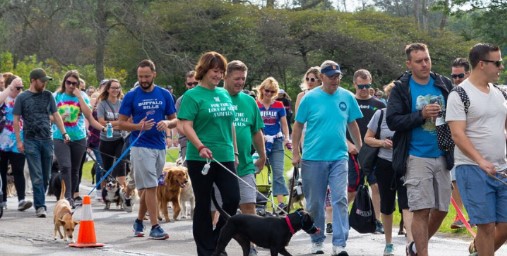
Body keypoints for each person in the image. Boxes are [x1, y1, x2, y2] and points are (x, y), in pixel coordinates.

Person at [386, 43, 453, 256]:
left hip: (442, 153)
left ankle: (415, 247)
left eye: (427, 59)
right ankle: (422, 253)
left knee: (442, 209)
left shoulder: (443, 83)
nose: (424, 64)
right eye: (419, 61)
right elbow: (393, 121)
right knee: (421, 210)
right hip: (415, 156)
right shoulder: (401, 88)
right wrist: (421, 115)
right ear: (409, 63)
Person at [292, 60, 362, 256]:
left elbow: (352, 123)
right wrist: (296, 152)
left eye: (338, 76)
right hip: (313, 158)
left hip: (339, 157)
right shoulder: (309, 98)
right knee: (315, 203)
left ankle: (340, 243)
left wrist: (361, 146)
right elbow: (297, 126)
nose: (335, 80)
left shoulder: (347, 97)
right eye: (331, 76)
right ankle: (317, 240)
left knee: (340, 198)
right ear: (322, 77)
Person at [447, 43, 507, 256]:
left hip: (502, 170)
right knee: (487, 226)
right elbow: (457, 134)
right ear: (482, 64)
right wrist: (481, 160)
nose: (501, 67)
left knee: (505, 227)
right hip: (472, 169)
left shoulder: (500, 92)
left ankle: (476, 250)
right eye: (497, 62)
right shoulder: (460, 94)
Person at [178, 51, 239, 256]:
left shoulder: (223, 94)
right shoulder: (192, 95)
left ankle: (215, 242)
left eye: (221, 72)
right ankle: (206, 250)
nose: (218, 75)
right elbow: (185, 124)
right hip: (200, 158)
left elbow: (231, 125)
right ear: (204, 71)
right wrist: (200, 146)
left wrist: (235, 152)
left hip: (225, 155)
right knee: (203, 204)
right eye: (215, 71)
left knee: (232, 198)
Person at [118, 59, 177, 240]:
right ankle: (154, 226)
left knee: (149, 187)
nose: (143, 80)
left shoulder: (164, 94)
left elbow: (175, 120)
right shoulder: (131, 95)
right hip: (140, 145)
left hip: (159, 146)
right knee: (151, 185)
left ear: (154, 75)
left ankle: (138, 221)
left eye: (146, 76)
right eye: (140, 77)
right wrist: (137, 126)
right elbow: (121, 122)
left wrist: (166, 123)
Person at [217, 60, 266, 256]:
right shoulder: (216, 97)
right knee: (219, 210)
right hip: (221, 165)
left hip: (245, 164)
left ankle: (251, 247)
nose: (240, 83)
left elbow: (256, 132)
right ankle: (217, 247)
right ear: (225, 77)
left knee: (249, 207)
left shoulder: (248, 101)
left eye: (243, 79)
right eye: (236, 78)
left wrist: (262, 155)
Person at [364, 81, 413, 256]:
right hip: (384, 164)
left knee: (407, 204)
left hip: (406, 164)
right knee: (387, 204)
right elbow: (367, 138)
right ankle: (389, 243)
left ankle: (410, 243)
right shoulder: (380, 114)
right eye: (392, 96)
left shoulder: (409, 115)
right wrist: (382, 143)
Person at [13, 68, 69, 218]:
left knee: (46, 176)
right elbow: (16, 120)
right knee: (36, 175)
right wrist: (19, 141)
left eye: (45, 81)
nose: (44, 83)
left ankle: (40, 199)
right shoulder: (22, 97)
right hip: (30, 140)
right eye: (42, 80)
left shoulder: (48, 95)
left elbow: (56, 115)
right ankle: (40, 206)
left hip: (47, 139)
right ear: (33, 80)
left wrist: (64, 132)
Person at [52, 71, 105, 207]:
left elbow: (89, 117)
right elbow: (49, 117)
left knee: (75, 169)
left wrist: (80, 97)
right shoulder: (57, 96)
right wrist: (60, 119)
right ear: (64, 83)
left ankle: (70, 194)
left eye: (74, 83)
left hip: (79, 137)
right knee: (65, 166)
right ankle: (67, 197)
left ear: (78, 85)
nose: (71, 85)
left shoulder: (83, 97)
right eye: (68, 82)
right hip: (60, 136)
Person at [346, 69, 386, 234]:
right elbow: (338, 126)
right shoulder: (348, 102)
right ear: (354, 84)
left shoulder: (379, 104)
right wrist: (348, 144)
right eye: (361, 86)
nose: (364, 89)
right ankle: (338, 217)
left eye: (367, 86)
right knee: (352, 189)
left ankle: (377, 221)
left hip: (373, 152)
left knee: (376, 186)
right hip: (352, 152)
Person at [255, 77, 290, 212]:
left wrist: (287, 138)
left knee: (278, 172)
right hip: (259, 141)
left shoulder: (279, 106)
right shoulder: (256, 105)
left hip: (276, 141)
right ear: (262, 90)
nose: (269, 94)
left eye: (272, 91)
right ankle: (257, 201)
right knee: (256, 171)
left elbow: (284, 124)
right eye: (267, 91)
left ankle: (281, 203)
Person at [0, 75, 33, 212]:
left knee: (18, 170)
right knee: (1, 171)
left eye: (21, 87)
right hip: (2, 141)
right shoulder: (4, 96)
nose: (20, 90)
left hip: (18, 141)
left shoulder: (23, 99)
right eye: (17, 87)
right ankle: (3, 200)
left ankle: (21, 200)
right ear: (10, 86)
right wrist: (9, 87)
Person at [448, 57, 471, 230]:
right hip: (455, 144)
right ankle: (460, 216)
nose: (456, 80)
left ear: (469, 73)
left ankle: (474, 216)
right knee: (455, 180)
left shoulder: (475, 92)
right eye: (453, 76)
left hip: (475, 145)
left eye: (460, 76)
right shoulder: (452, 94)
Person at [96, 79, 127, 190]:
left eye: (117, 88)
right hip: (106, 140)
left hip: (120, 138)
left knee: (121, 163)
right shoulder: (102, 104)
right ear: (108, 89)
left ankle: (124, 193)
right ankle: (105, 193)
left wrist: (115, 125)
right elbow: (101, 122)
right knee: (106, 166)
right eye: (113, 88)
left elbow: (127, 121)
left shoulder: (122, 103)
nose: (115, 90)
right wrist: (118, 123)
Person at [175, 70, 197, 165]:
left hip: (205, 140)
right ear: (186, 84)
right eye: (190, 84)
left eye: (195, 83)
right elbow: (179, 123)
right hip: (187, 142)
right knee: (188, 173)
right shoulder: (181, 101)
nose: (192, 86)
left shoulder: (206, 98)